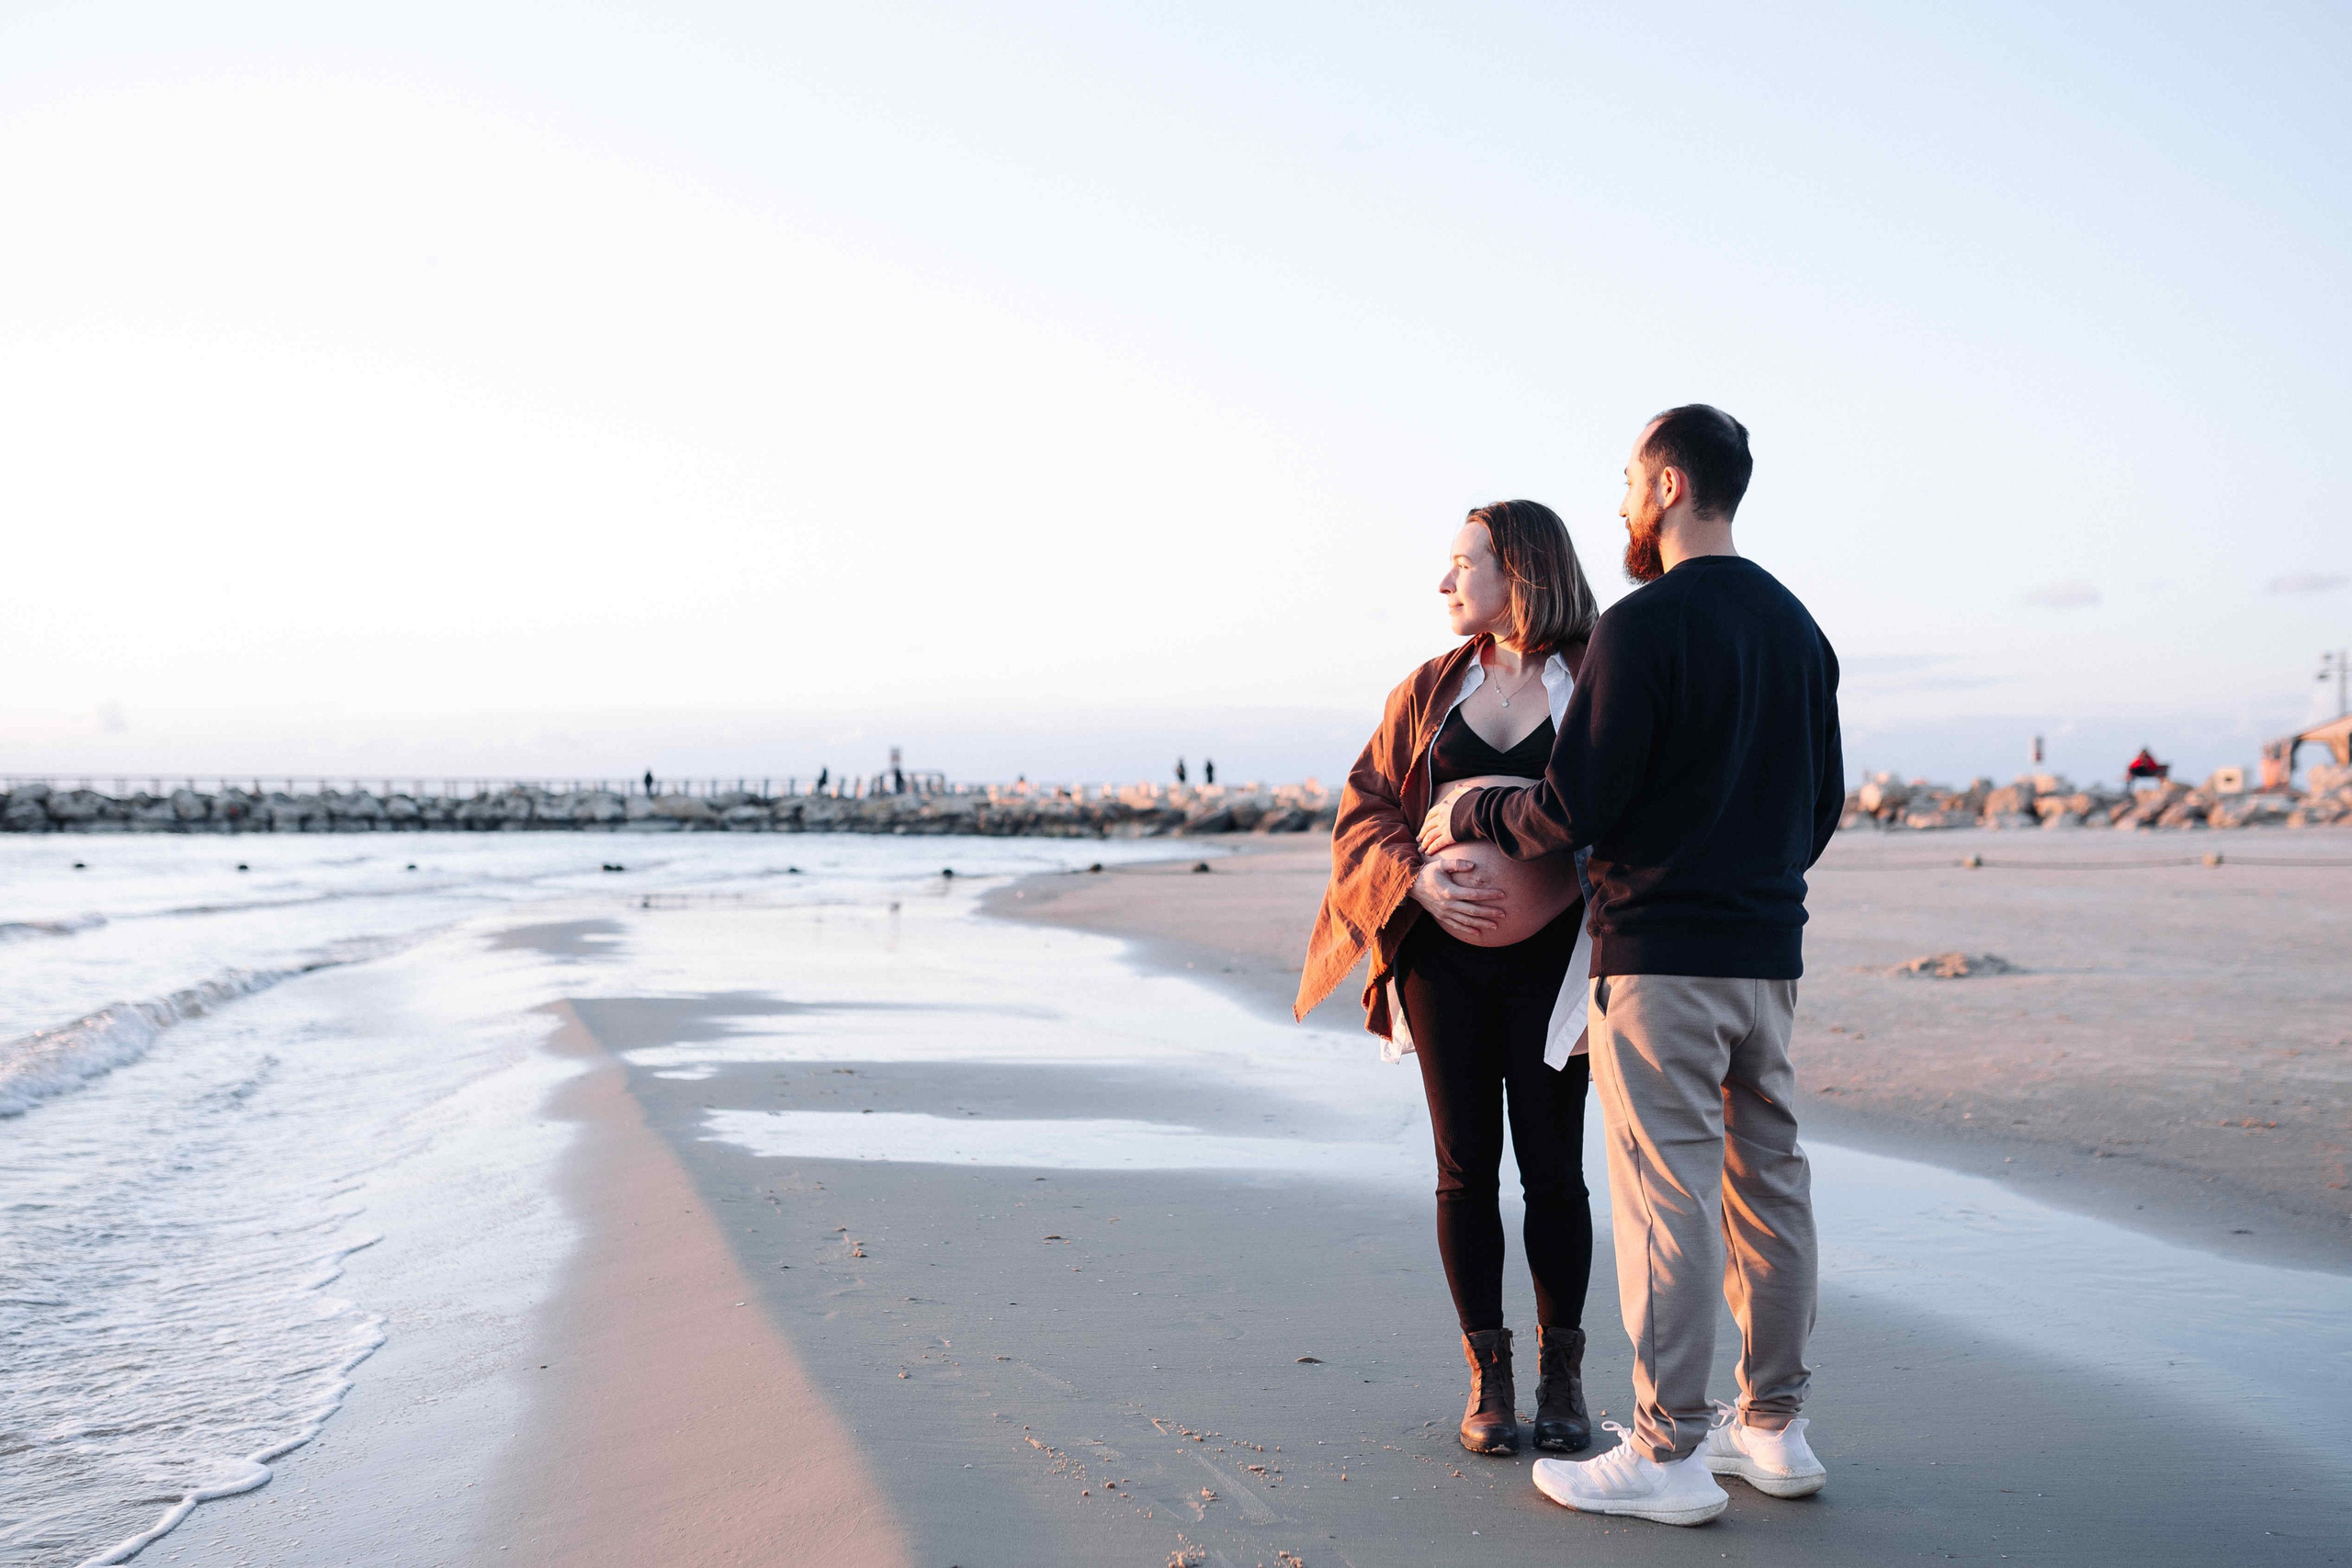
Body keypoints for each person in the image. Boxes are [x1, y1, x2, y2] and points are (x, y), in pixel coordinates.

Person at [1421, 406, 1843, 1527]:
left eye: (1624, 482)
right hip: (1766, 959)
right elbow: (1821, 807)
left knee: (1669, 1200)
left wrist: (1471, 809)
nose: (1617, 504)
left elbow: (1572, 808)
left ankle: (1666, 1453)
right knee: (1770, 1186)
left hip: (1658, 960)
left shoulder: (1642, 627)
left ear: (1667, 485)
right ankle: (1774, 1427)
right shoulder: (1798, 627)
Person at [1298, 500, 1601, 1459]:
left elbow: (1625, 802)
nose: (1445, 582)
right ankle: (1489, 1376)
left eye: (1463, 563)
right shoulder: (1428, 690)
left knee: (1553, 1170)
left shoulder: (1597, 679)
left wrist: (1508, 822)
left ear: (1521, 570)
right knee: (1464, 1167)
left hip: (1558, 964)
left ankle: (1561, 1376)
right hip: (1440, 961)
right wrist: (1419, 881)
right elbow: (1365, 811)